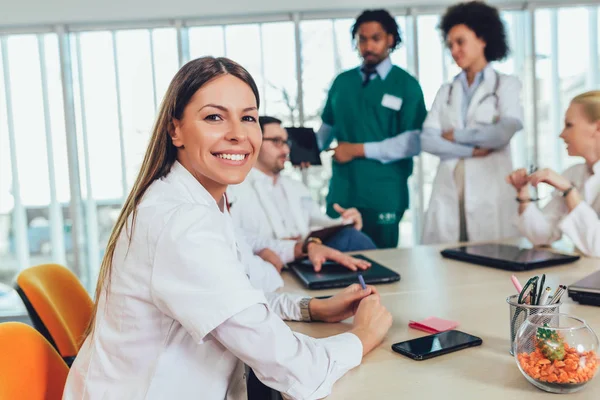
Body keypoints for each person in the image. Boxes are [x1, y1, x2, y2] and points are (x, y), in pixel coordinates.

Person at [62, 57, 393, 400]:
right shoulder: (181, 222)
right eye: (214, 117)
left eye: (248, 117)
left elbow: (237, 298)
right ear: (175, 130)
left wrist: (311, 308)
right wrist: (363, 335)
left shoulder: (201, 201)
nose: (237, 134)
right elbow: (294, 369)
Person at [315, 9, 427, 249]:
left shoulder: (406, 85)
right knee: (336, 258)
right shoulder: (342, 83)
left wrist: (356, 150)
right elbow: (326, 129)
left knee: (383, 263)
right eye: (362, 39)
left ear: (390, 39)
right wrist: (305, 152)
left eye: (375, 38)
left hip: (383, 193)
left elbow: (413, 141)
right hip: (343, 191)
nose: (368, 46)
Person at [419, 1, 523, 244]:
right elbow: (427, 140)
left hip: (490, 189)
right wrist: (472, 150)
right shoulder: (446, 90)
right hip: (450, 186)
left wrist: (456, 136)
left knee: (491, 263)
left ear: (483, 39)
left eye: (460, 42)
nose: (454, 50)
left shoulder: (506, 85)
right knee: (449, 265)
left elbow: (502, 134)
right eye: (450, 45)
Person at [228, 116, 377, 267]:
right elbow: (237, 239)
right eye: (276, 141)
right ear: (254, 141)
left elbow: (317, 223)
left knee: (350, 236)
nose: (286, 149)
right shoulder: (235, 188)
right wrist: (292, 246)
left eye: (287, 142)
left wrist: (345, 221)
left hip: (309, 254)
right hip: (275, 260)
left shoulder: (295, 186)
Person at [507, 91, 600, 257]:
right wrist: (523, 194)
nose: (561, 134)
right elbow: (542, 236)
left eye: (569, 125)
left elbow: (597, 247)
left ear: (598, 127)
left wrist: (569, 191)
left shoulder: (567, 183)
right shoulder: (574, 174)